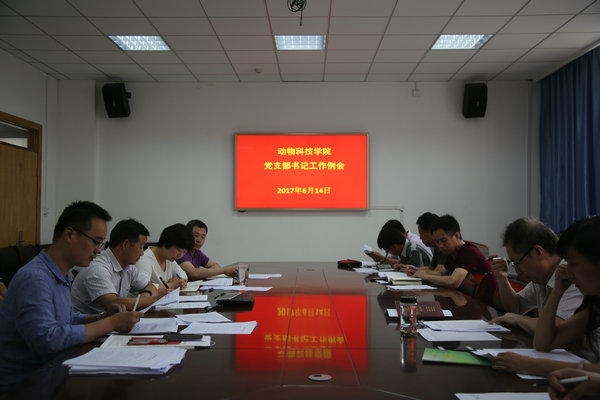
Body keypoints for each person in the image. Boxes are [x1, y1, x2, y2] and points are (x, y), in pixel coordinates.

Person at [0, 201, 141, 386]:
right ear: (70, 235)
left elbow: (67, 319)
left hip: (54, 371)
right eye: (96, 241)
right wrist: (111, 323)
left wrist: (103, 316)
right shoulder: (34, 278)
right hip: (25, 385)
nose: (99, 250)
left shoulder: (62, 274)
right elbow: (46, 340)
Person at [493, 216, 600, 377]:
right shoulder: (594, 303)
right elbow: (543, 342)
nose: (568, 272)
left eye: (573, 264)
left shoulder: (583, 288)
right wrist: (557, 291)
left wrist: (534, 365)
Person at [489, 218, 583, 335]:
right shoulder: (540, 279)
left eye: (516, 262)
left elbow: (555, 329)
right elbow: (516, 308)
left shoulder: (573, 276)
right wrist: (502, 278)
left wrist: (517, 319)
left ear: (538, 252)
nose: (517, 270)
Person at [71, 218, 169, 314]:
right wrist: (155, 299)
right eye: (141, 247)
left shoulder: (128, 266)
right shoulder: (98, 268)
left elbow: (149, 286)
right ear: (125, 244)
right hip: (89, 323)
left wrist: (145, 298)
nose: (142, 253)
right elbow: (112, 303)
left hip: (113, 321)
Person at [411, 214, 498, 303]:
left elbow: (454, 281)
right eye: (437, 242)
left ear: (457, 236)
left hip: (486, 303)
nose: (440, 246)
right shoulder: (452, 253)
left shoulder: (468, 251)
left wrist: (426, 276)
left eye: (444, 240)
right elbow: (441, 273)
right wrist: (418, 273)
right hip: (467, 299)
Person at [135, 223, 192, 289]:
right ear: (166, 243)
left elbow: (183, 275)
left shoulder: (169, 259)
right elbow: (143, 286)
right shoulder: (145, 259)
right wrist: (171, 285)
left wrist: (179, 280)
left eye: (184, 252)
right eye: (179, 250)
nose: (180, 255)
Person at [367, 219, 432, 265]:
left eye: (387, 251)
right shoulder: (403, 249)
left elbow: (418, 274)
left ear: (394, 247)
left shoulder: (414, 249)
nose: (388, 253)